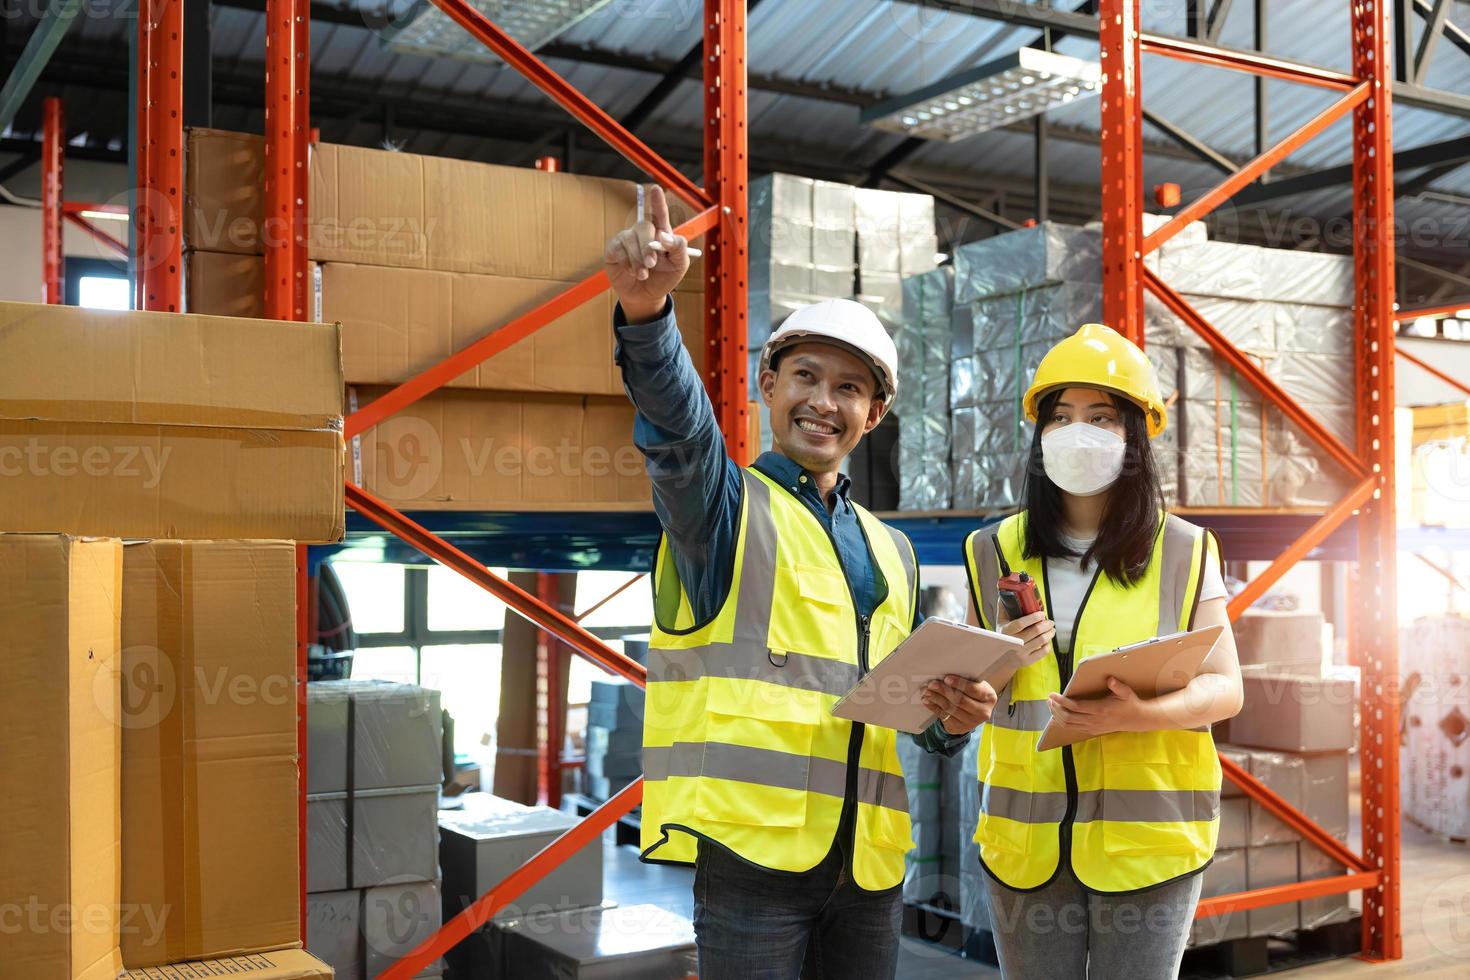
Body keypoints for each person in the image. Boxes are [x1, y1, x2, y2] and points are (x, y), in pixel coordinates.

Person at [605, 185, 996, 980]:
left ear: (874, 415)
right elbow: (677, 435)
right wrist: (649, 319)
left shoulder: (893, 552)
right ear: (766, 384)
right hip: (753, 860)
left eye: (849, 388)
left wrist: (955, 718)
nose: (824, 402)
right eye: (806, 377)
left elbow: (909, 717)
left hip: (871, 868)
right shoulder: (722, 510)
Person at [961, 322, 1243, 979]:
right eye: (1059, 417)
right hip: (1025, 845)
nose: (1077, 432)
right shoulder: (992, 550)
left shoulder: (1184, 549)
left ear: (1134, 437)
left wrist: (1135, 714)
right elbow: (969, 702)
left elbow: (1226, 686)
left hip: (1147, 846)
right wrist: (993, 662)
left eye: (1100, 417)